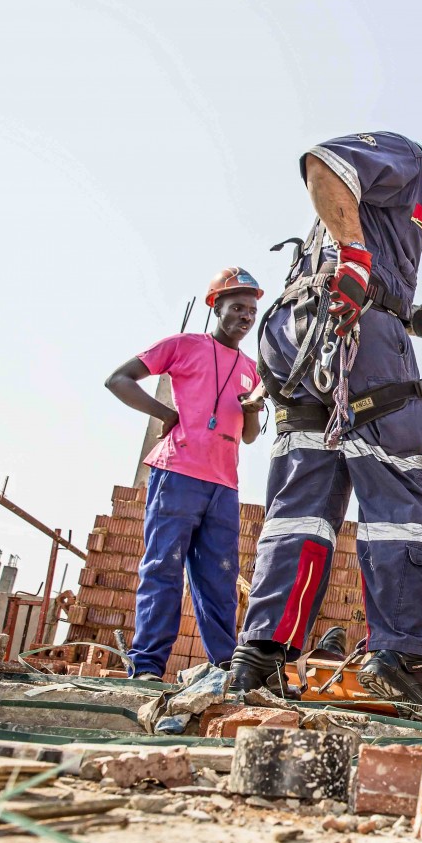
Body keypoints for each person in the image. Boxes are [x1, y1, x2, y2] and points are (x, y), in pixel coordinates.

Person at [227, 125, 422, 711]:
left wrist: (409, 318)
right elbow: (323, 165)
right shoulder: (409, 157)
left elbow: (363, 259)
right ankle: (400, 655)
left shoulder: (411, 204)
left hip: (303, 339)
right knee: (399, 496)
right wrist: (359, 261)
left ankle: (260, 658)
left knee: (302, 504)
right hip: (346, 330)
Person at [105, 268, 263, 680]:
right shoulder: (183, 346)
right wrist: (167, 415)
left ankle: (225, 669)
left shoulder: (251, 369)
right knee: (163, 568)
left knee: (220, 580)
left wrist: (252, 410)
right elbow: (117, 380)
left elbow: (249, 437)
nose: (245, 317)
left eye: (251, 310)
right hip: (176, 473)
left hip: (224, 485)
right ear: (215, 306)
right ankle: (147, 668)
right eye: (236, 308)